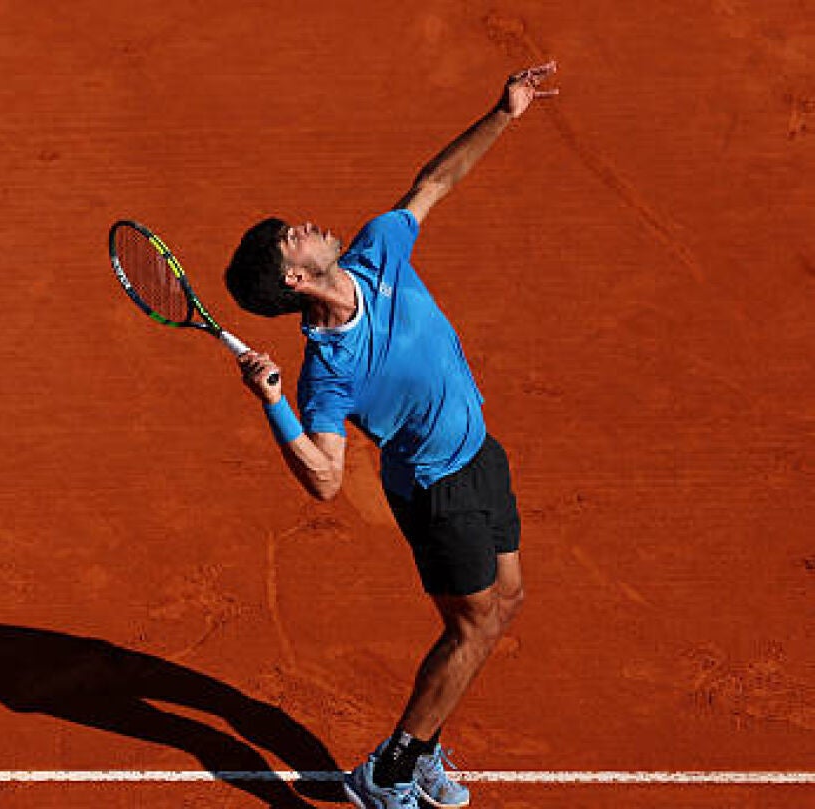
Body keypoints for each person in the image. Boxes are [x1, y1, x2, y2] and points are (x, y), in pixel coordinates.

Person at [222, 62, 558, 809]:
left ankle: (422, 749)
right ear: (295, 281)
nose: (305, 226)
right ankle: (389, 769)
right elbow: (325, 477)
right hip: (436, 493)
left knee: (505, 601)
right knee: (472, 627)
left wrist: (504, 112)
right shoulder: (326, 374)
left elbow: (434, 182)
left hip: (480, 452)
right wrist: (273, 404)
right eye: (291, 239)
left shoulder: (378, 249)